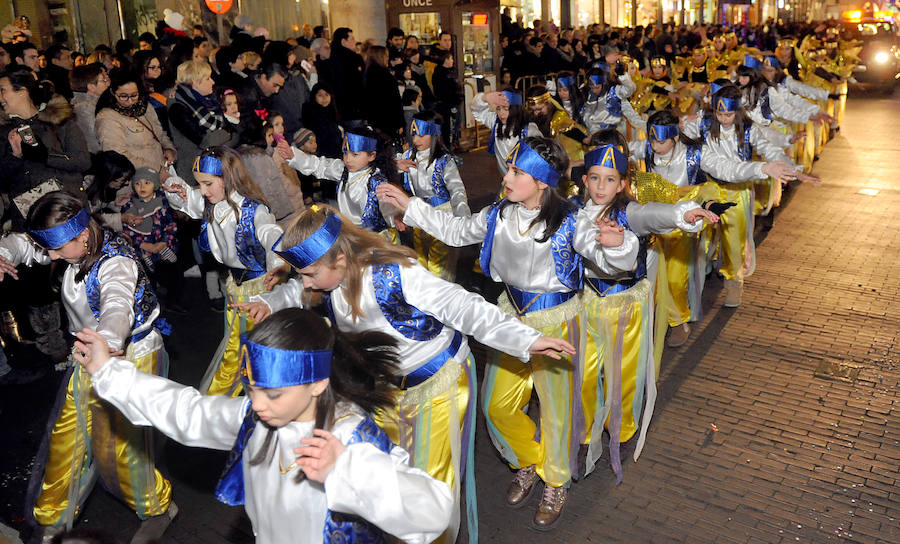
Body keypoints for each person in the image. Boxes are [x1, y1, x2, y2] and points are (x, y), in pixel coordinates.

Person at [233, 205, 573, 542]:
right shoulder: (330, 280)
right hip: (389, 389)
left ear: (339, 260)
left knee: (430, 483)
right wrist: (270, 301)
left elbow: (460, 304)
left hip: (440, 383)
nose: (305, 283)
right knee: (393, 471)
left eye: (309, 274)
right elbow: (299, 290)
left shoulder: (394, 271)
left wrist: (526, 338)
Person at [71, 307, 455, 544]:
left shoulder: (350, 438)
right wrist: (108, 370)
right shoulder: (258, 419)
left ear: (318, 383)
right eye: (252, 389)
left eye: (272, 394)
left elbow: (434, 512)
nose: (257, 404)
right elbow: (187, 411)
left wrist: (349, 469)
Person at [377, 137, 604, 529]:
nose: (507, 176)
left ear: (543, 182)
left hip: (556, 322)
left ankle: (555, 479)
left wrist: (618, 246)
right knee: (496, 407)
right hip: (510, 320)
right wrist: (409, 205)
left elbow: (604, 253)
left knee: (557, 412)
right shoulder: (499, 214)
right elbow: (454, 228)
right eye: (510, 168)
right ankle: (530, 459)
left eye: (517, 171)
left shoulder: (572, 220)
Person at [0, 191, 175, 544]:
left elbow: (116, 306)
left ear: (82, 236)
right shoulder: (74, 242)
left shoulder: (116, 263)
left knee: (119, 448)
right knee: (67, 438)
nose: (50, 256)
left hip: (126, 358)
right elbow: (23, 243)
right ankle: (50, 521)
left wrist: (107, 345)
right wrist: (2, 254)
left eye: (57, 249)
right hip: (89, 356)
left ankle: (157, 506)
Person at [575, 142, 715, 483]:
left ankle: (621, 431)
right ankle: (583, 432)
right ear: (584, 179)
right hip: (585, 303)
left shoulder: (629, 212)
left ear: (623, 184)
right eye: (594, 178)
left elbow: (654, 214)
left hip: (623, 306)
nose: (600, 187)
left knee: (622, 374)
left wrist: (682, 214)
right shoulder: (576, 213)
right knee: (584, 374)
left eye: (609, 180)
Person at [162, 146, 283, 396]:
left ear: (228, 179)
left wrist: (278, 264)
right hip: (236, 287)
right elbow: (187, 198)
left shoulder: (254, 211)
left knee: (246, 351)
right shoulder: (212, 202)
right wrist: (174, 186)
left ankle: (219, 406)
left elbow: (272, 236)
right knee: (240, 347)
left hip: (259, 289)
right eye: (200, 185)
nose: (202, 191)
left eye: (207, 184)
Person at [281, 127, 397, 236]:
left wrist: (396, 218)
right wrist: (294, 156)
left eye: (355, 154)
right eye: (345, 153)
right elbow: (319, 165)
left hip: (376, 239)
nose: (348, 159)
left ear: (372, 156)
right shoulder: (343, 170)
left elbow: (389, 208)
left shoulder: (376, 181)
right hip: (351, 234)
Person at [397, 113, 469, 280]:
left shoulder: (444, 161)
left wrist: (462, 218)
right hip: (418, 215)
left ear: (434, 134)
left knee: (439, 269)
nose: (416, 141)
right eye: (413, 135)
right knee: (421, 264)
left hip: (441, 217)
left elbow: (457, 190)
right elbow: (387, 168)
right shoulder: (408, 157)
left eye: (422, 136)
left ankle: (442, 301)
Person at [120, 167, 184, 313]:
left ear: (155, 184)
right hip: (143, 249)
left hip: (164, 247)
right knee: (146, 279)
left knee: (175, 275)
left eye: (147, 182)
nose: (142, 187)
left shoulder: (164, 202)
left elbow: (171, 224)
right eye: (138, 183)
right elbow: (126, 230)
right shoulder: (129, 205)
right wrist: (143, 245)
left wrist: (162, 243)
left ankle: (173, 301)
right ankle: (149, 307)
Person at [95, 73, 176, 172]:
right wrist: (155, 168)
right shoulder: (107, 116)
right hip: (137, 176)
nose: (130, 101)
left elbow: (160, 134)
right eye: (123, 96)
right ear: (113, 92)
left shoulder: (145, 107)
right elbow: (117, 154)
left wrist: (169, 149)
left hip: (161, 169)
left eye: (134, 95)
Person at [168, 60, 234, 182]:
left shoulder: (209, 102)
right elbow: (206, 141)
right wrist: (227, 133)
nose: (213, 82)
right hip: (195, 170)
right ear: (196, 83)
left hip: (214, 162)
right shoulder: (178, 108)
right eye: (208, 78)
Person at [470, 89, 540, 177]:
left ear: (516, 109)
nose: (501, 113)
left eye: (506, 109)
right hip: (507, 182)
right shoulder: (496, 123)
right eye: (498, 108)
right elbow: (476, 111)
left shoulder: (529, 130)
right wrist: (485, 98)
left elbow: (540, 162)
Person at [363, 46, 404, 140]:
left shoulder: (367, 74)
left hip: (374, 119)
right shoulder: (385, 76)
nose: (388, 58)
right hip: (388, 120)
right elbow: (394, 100)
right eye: (386, 56)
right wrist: (400, 123)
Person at [70, 64, 110, 154]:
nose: (107, 84)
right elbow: (92, 141)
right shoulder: (84, 109)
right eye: (103, 81)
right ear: (91, 87)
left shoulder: (95, 104)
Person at [302, 83, 343, 159]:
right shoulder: (310, 113)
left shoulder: (331, 111)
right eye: (320, 95)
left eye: (327, 95)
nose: (324, 98)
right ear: (314, 97)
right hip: (321, 155)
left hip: (336, 153)